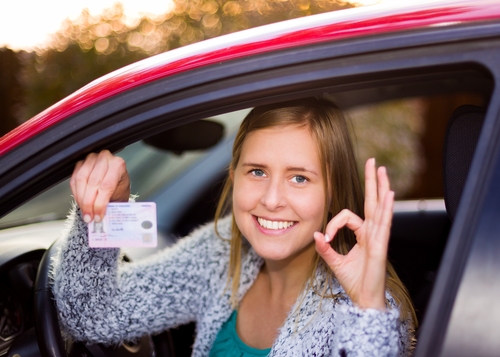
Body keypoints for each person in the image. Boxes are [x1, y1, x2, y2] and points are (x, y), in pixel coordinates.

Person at [52, 97, 416, 356]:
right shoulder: (223, 248)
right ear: (234, 176)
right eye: (257, 171)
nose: (272, 199)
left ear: (332, 190)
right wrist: (107, 209)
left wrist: (368, 307)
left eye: (300, 178)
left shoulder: (371, 309)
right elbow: (94, 316)